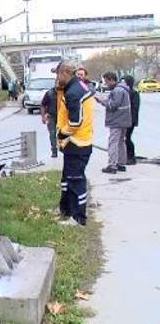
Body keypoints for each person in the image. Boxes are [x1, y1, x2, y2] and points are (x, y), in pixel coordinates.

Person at [53, 60, 95, 226]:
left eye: (58, 74)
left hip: (77, 143)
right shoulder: (78, 86)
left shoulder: (73, 92)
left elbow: (75, 122)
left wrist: (62, 134)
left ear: (65, 72)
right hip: (78, 143)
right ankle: (67, 209)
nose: (57, 78)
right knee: (68, 178)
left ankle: (78, 217)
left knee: (76, 180)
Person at [96, 72, 131, 174]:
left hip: (116, 121)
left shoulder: (117, 91)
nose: (106, 84)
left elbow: (113, 105)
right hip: (124, 120)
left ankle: (112, 165)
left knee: (113, 143)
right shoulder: (123, 89)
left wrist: (102, 101)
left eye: (106, 81)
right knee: (121, 142)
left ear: (111, 79)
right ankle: (121, 163)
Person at [121, 75, 140, 165]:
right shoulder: (126, 92)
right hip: (125, 119)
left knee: (127, 138)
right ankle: (127, 156)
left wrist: (130, 119)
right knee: (125, 138)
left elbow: (134, 108)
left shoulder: (134, 93)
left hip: (130, 120)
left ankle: (131, 157)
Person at [40, 83, 58, 158]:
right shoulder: (49, 93)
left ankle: (65, 150)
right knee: (52, 133)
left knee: (63, 134)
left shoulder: (65, 92)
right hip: (51, 116)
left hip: (62, 116)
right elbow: (43, 105)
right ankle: (54, 151)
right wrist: (43, 116)